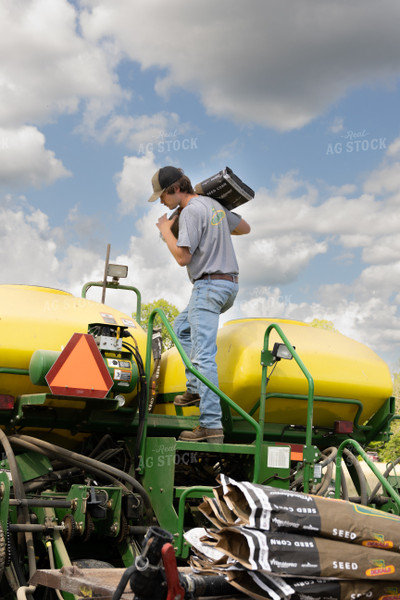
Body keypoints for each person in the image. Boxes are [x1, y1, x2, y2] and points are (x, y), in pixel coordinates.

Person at [149, 166, 250, 443]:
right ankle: (194, 387)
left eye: (162, 195)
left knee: (203, 355)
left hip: (208, 286)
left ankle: (211, 425)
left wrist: (166, 229)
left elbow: (183, 257)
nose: (161, 202)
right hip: (228, 285)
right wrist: (215, 225)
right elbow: (244, 227)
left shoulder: (192, 210)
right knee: (181, 329)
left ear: (175, 189)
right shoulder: (213, 205)